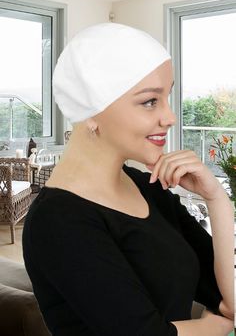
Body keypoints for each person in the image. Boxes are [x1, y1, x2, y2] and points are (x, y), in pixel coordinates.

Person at [22, 22, 234, 336]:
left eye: (167, 98)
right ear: (91, 109)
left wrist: (216, 198)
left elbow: (229, 302)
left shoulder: (147, 186)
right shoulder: (57, 220)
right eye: (150, 101)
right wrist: (213, 329)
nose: (170, 117)